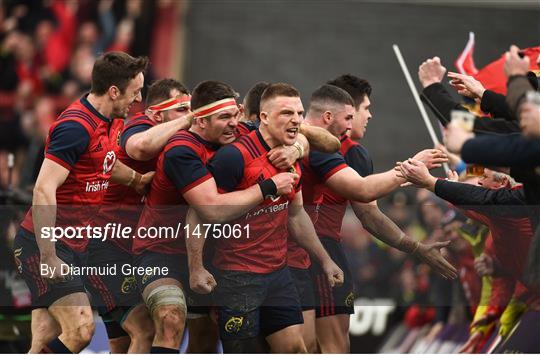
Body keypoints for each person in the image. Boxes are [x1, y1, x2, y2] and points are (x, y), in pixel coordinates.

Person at [134, 80, 299, 353]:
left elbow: (304, 132)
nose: (235, 123)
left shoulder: (236, 132)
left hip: (209, 252)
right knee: (169, 320)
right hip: (161, 251)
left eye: (236, 114)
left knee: (206, 339)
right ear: (199, 121)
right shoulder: (181, 150)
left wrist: (296, 148)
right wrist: (268, 187)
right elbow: (210, 209)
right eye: (225, 117)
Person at [294, 83, 457, 352]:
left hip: (306, 254)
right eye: (364, 110)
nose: (369, 116)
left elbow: (369, 214)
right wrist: (410, 169)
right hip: (316, 253)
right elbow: (364, 196)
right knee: (321, 345)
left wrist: (415, 248)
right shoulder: (332, 149)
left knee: (309, 344)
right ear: (338, 113)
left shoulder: (338, 150)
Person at [11, 51, 152, 353]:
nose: (137, 101)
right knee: (81, 328)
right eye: (135, 93)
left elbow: (105, 162)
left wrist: (138, 181)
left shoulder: (111, 119)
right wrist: (49, 256)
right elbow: (43, 190)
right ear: (114, 91)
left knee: (46, 337)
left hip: (75, 244)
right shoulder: (75, 127)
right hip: (44, 244)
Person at [204, 83, 343, 353]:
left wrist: (326, 260)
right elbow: (202, 215)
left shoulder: (291, 155)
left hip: (278, 275)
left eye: (300, 113)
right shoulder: (234, 157)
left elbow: (296, 213)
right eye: (287, 113)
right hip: (238, 277)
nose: (296, 120)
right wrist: (198, 268)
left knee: (297, 349)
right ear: (264, 117)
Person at [85, 78, 192, 353]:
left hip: (130, 247)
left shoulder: (175, 139)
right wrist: (189, 120)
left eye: (191, 109)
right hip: (104, 247)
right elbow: (139, 148)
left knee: (121, 341)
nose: (189, 116)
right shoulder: (139, 125)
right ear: (157, 113)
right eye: (182, 109)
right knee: (144, 328)